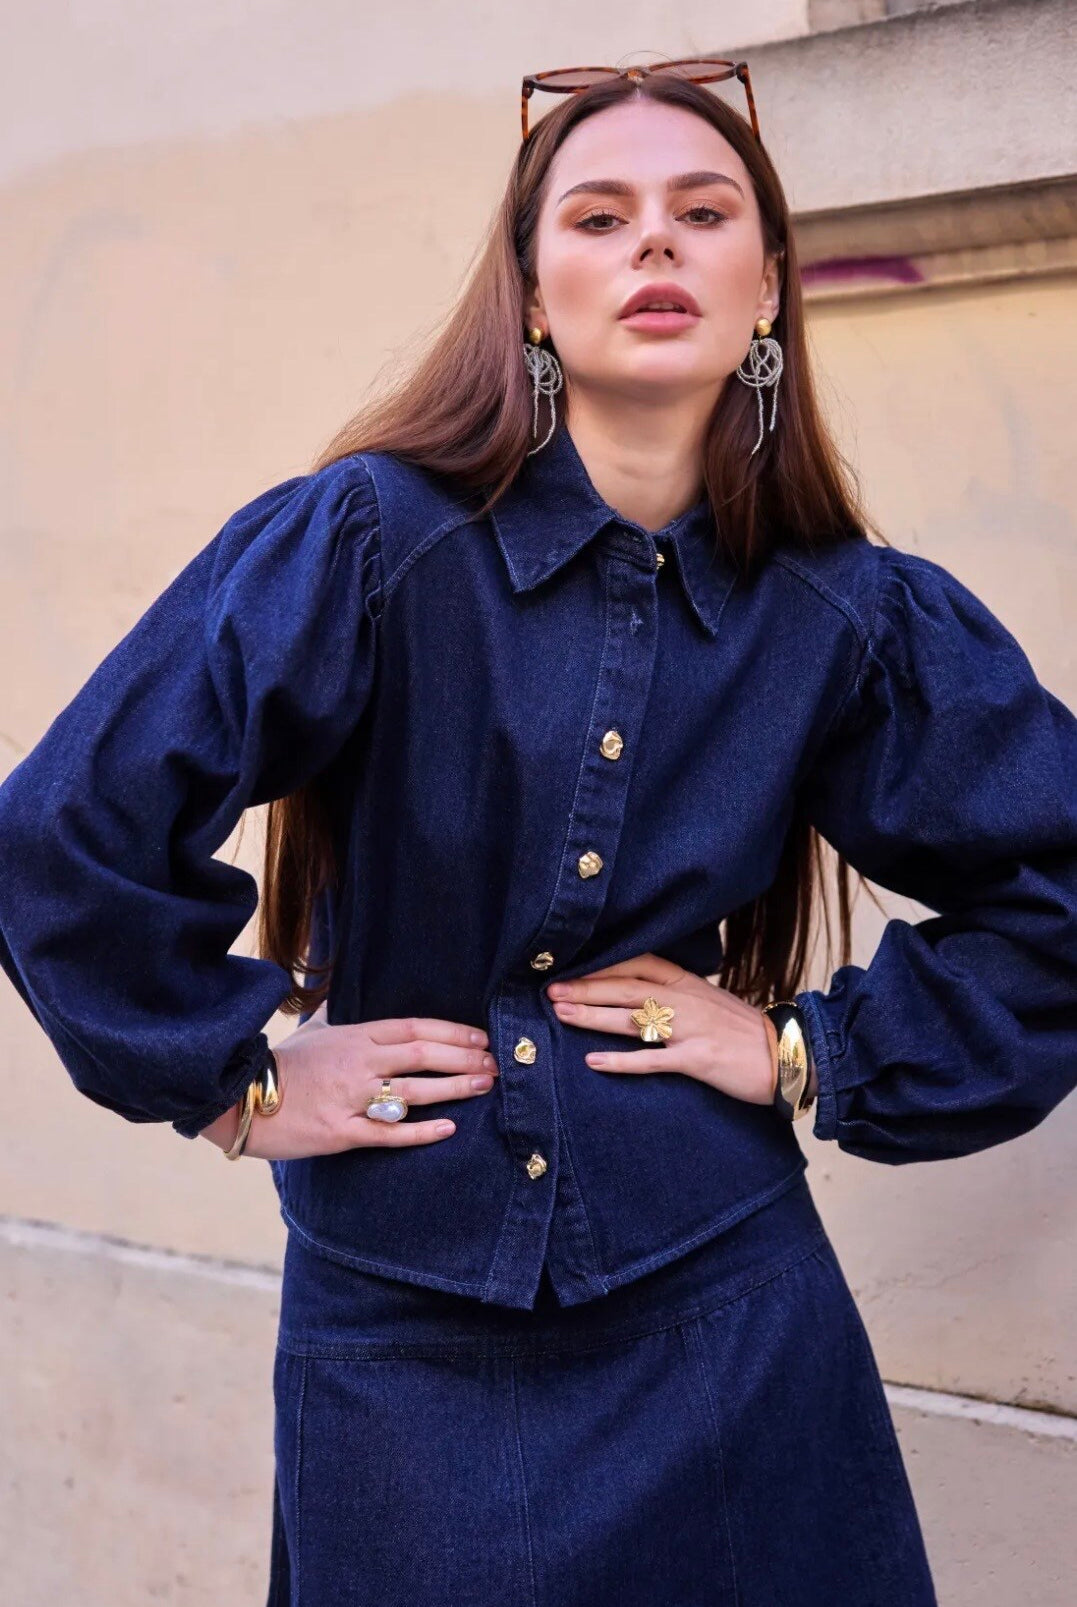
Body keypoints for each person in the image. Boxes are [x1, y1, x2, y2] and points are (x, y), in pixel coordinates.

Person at [0, 60, 1074, 1607]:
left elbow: (1056, 885)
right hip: (403, 1322)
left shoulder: (846, 612)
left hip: (728, 1303)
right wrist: (236, 1085)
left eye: (702, 212)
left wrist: (801, 1050)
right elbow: (64, 832)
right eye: (600, 216)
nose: (656, 244)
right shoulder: (365, 543)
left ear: (768, 286)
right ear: (526, 294)